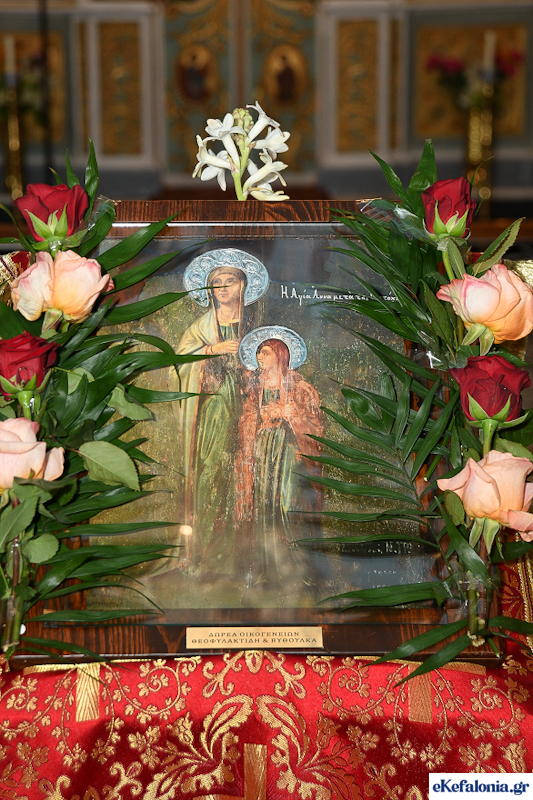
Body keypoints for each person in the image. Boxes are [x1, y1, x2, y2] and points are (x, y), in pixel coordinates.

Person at [175, 251, 269, 577]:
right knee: (212, 472)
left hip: (251, 409)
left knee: (246, 477)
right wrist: (212, 350)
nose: (224, 288)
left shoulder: (256, 324)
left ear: (244, 286)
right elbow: (179, 363)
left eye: (231, 281)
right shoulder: (201, 327)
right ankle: (207, 554)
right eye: (217, 282)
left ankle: (241, 559)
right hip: (215, 409)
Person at [236, 334, 325, 591]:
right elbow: (246, 419)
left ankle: (301, 572)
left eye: (265, 352)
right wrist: (262, 416)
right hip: (264, 451)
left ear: (280, 354)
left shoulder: (299, 387)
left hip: (289, 451)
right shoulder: (256, 389)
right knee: (266, 508)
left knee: (288, 505)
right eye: (258, 353)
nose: (260, 357)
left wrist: (292, 415)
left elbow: (317, 425)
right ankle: (267, 572)